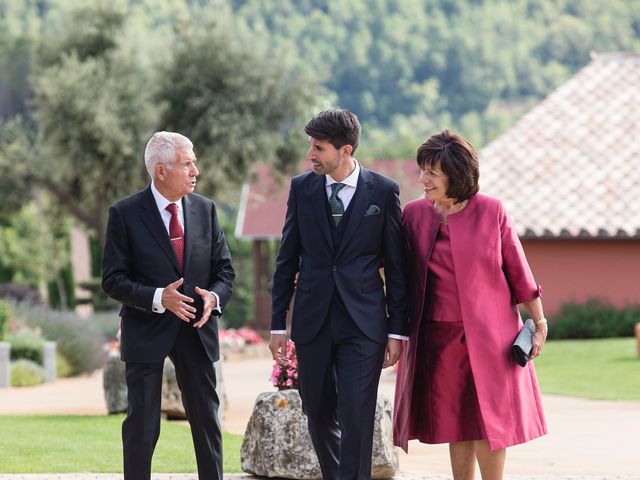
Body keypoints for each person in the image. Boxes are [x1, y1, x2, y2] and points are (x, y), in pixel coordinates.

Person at [393, 129, 548, 480]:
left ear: (456, 174)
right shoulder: (414, 214)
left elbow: (519, 271)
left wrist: (539, 323)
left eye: (432, 172)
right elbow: (393, 267)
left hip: (490, 339)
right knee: (455, 421)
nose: (424, 179)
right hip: (437, 339)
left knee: (487, 420)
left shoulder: (491, 211)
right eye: (423, 170)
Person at [270, 108, 409, 480]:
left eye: (319, 148)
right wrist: (277, 325)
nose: (310, 155)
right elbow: (287, 258)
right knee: (316, 410)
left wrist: (397, 331)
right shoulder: (302, 189)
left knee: (357, 413)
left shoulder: (383, 191)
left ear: (344, 150)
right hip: (313, 320)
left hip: (364, 323)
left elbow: (397, 268)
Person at [102, 131, 234, 480]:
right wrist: (160, 297)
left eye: (194, 162)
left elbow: (224, 271)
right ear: (161, 171)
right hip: (145, 328)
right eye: (187, 163)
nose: (196, 170)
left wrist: (214, 297)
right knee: (143, 425)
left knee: (207, 421)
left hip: (197, 328)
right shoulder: (124, 214)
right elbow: (113, 279)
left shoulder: (205, 210)